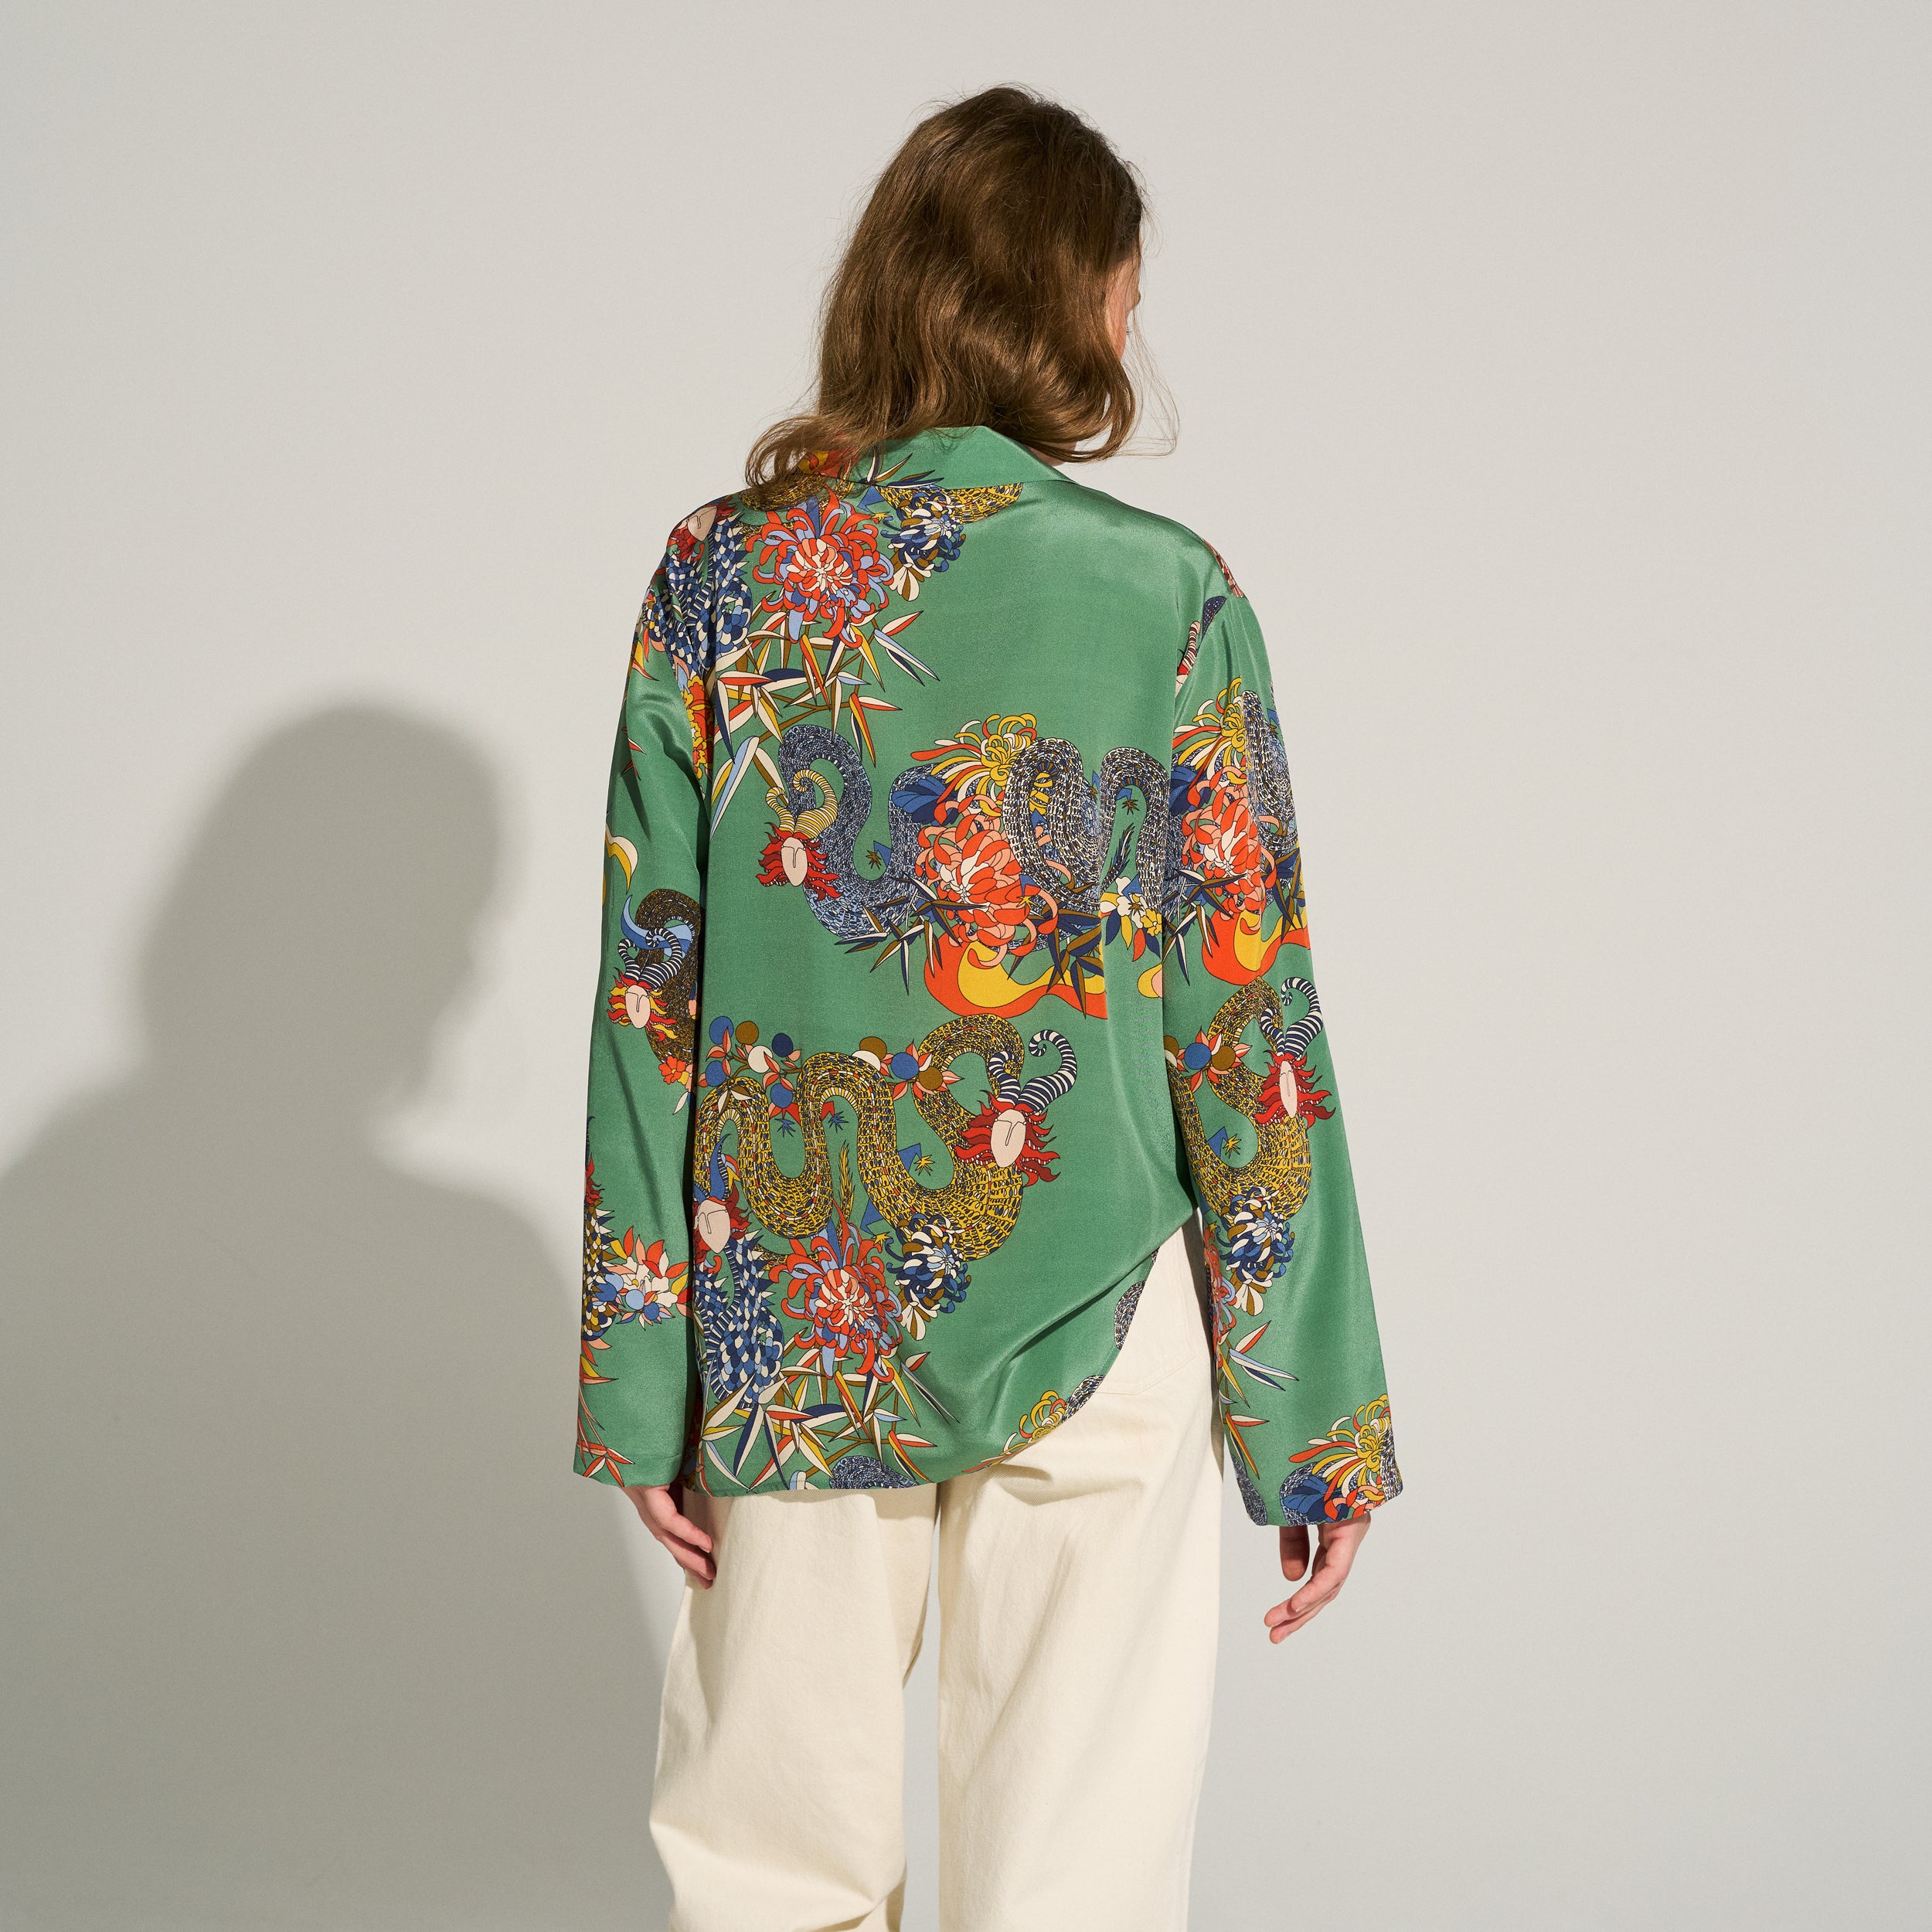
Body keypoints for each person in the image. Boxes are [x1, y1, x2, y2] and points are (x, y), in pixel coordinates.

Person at [575, 84, 1401, 1932]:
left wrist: (641, 1384)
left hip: (799, 1301)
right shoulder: (1166, 595)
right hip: (1098, 1297)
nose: (1129, 330)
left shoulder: (718, 580)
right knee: (1075, 1880)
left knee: (770, 1869)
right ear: (1070, 298)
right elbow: (1247, 1024)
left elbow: (652, 994)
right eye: (1123, 291)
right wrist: (1312, 1417)